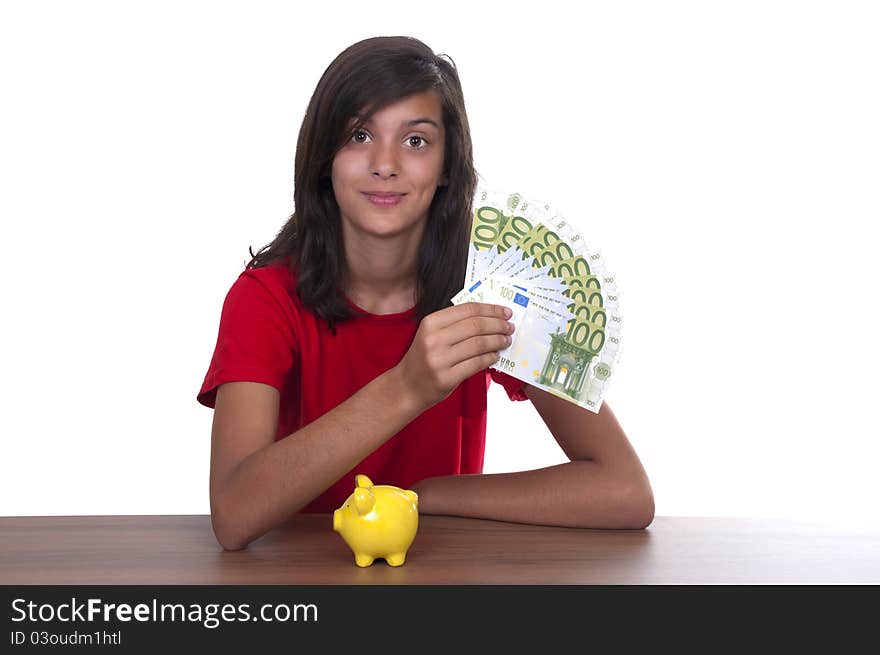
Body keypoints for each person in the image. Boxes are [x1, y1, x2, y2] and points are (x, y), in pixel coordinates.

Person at [196, 36, 654, 551]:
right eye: (359, 135)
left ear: (445, 167)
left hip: (440, 578)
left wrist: (429, 495)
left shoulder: (492, 290)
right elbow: (233, 515)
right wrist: (407, 387)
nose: (385, 163)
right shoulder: (265, 298)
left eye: (416, 141)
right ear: (324, 157)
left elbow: (625, 491)